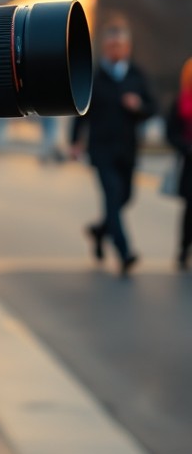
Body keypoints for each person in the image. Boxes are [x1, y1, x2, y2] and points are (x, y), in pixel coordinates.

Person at [70, 16, 157, 274]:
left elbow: (152, 108)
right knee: (111, 196)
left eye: (120, 45)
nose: (116, 50)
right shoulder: (95, 76)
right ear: (105, 48)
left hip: (128, 149)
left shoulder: (137, 75)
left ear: (127, 48)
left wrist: (138, 106)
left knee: (125, 197)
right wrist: (76, 142)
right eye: (111, 46)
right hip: (101, 149)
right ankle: (125, 251)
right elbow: (81, 111)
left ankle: (98, 231)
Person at [165, 57, 192, 270]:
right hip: (190, 160)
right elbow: (171, 132)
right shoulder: (181, 101)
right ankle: (184, 248)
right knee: (190, 209)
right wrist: (186, 147)